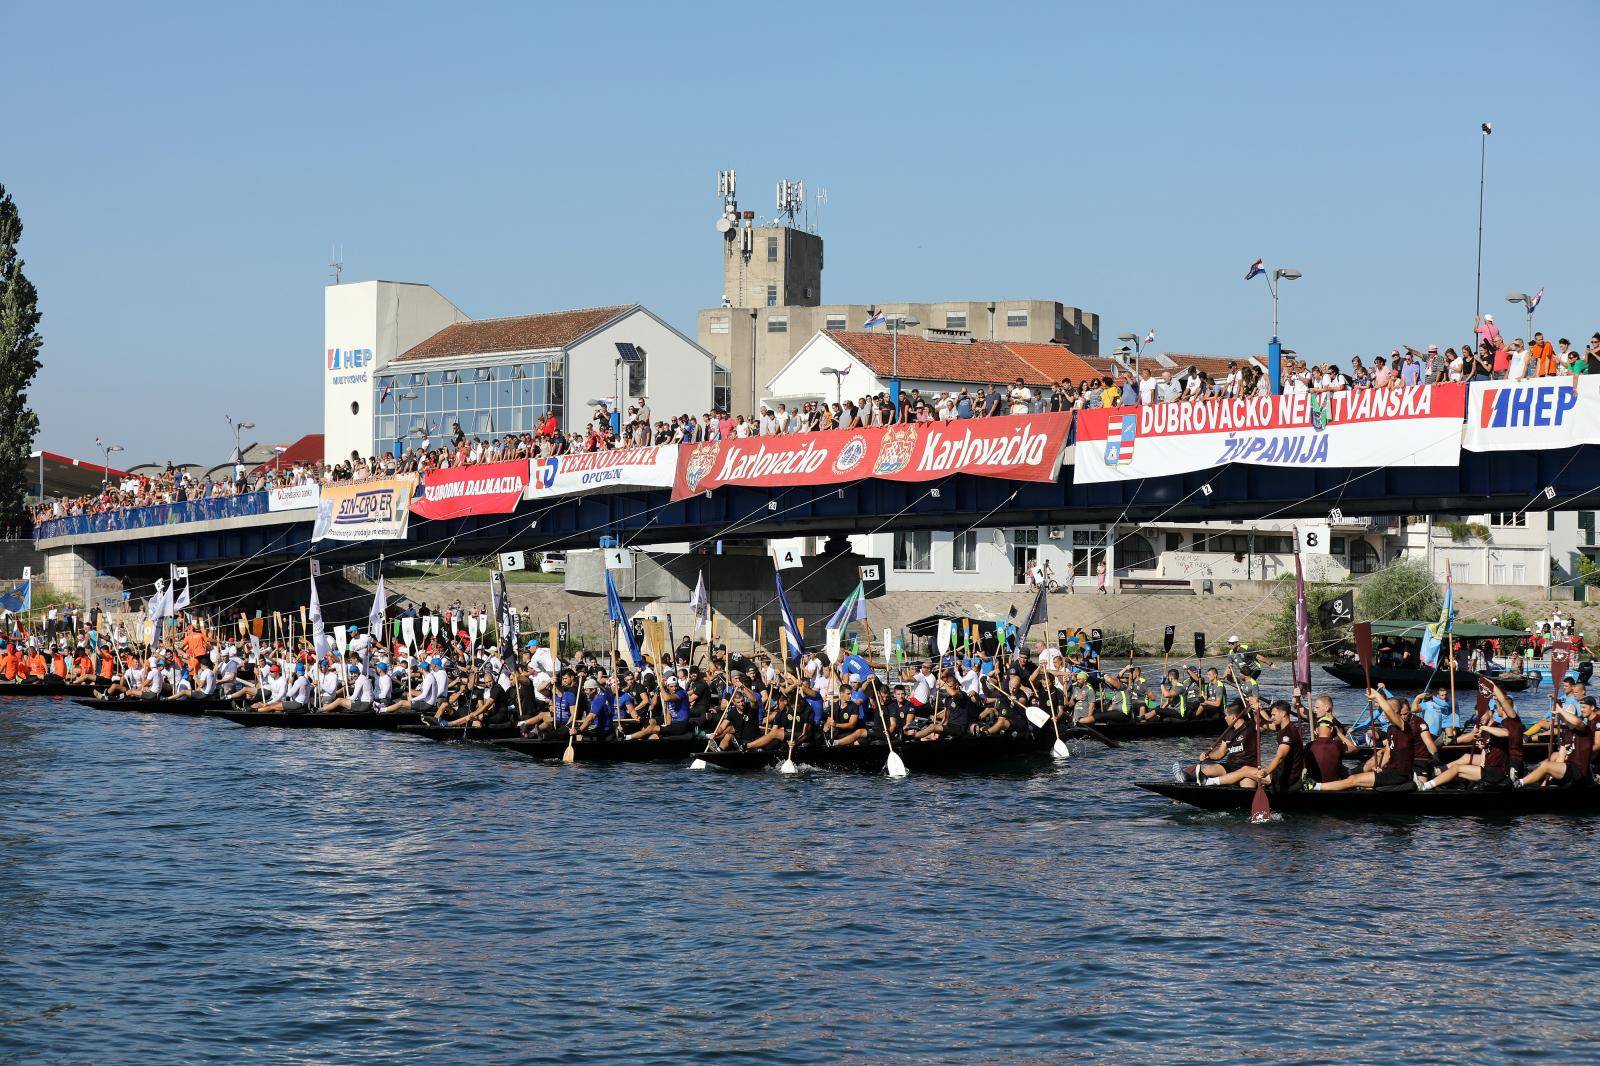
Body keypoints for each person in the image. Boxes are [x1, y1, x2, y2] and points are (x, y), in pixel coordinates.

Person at [1315, 688, 1436, 792]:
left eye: (1385, 712)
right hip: (1390, 772)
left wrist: (1377, 695)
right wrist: (1380, 767)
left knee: (1353, 780)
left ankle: (1316, 787)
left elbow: (1388, 710)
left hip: (1399, 774)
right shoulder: (1391, 729)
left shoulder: (1404, 727)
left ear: (1395, 713)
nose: (1383, 715)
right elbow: (1388, 753)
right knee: (1357, 780)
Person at [1518, 695, 1597, 788]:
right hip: (1568, 770)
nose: (1562, 720)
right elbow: (1560, 759)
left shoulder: (1585, 730)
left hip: (1579, 772)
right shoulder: (1567, 734)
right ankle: (1527, 782)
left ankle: (1519, 783)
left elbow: (1576, 722)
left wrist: (1560, 710)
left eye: (1564, 717)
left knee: (1546, 765)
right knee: (1547, 765)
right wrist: (1551, 777)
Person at [1174, 700, 1257, 785]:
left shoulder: (1250, 727)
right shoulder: (1229, 732)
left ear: (1233, 717)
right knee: (1209, 768)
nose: (1225, 718)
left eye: (1226, 715)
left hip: (1248, 769)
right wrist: (1208, 756)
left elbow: (1260, 722)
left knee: (1247, 786)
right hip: (1231, 766)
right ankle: (1186, 778)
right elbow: (1220, 753)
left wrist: (1256, 709)